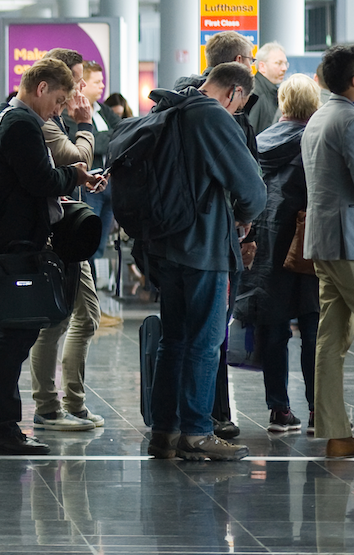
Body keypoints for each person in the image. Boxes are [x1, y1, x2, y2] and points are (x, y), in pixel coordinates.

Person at [0, 59, 103, 455]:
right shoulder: (21, 124)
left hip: (8, 239)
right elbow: (40, 180)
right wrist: (74, 176)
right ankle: (0, 427)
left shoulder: (3, 118)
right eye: (60, 100)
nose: (61, 110)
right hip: (20, 243)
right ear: (42, 87)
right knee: (14, 337)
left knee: (6, 337)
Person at [141, 62, 265, 461]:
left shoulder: (168, 108)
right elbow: (251, 187)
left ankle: (165, 431)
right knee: (206, 341)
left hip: (166, 244)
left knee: (173, 339)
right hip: (206, 246)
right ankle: (196, 432)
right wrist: (245, 217)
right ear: (235, 94)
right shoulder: (213, 115)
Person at [27, 49, 107, 432]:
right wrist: (85, 125)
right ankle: (49, 406)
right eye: (70, 84)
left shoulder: (51, 117)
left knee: (85, 316)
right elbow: (77, 157)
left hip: (69, 226)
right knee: (55, 321)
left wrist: (83, 175)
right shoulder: (44, 121)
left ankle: (71, 402)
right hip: (53, 232)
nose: (77, 91)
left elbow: (77, 169)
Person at [236, 73, 319, 434]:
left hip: (266, 244)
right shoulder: (313, 142)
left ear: (282, 103)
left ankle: (279, 409)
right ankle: (319, 408)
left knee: (274, 327)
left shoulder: (260, 141)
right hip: (306, 246)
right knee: (314, 328)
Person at [300, 46, 354, 459]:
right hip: (350, 241)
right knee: (330, 338)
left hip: (323, 241)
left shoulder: (319, 116)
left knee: (330, 338)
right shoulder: (349, 119)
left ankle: (336, 434)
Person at [80, 61, 121, 283]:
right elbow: (88, 145)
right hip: (88, 188)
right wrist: (107, 139)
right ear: (83, 84)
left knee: (99, 246)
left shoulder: (103, 110)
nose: (102, 86)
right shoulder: (73, 111)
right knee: (87, 246)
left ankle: (93, 302)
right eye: (97, 82)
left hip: (108, 186)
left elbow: (123, 130)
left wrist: (101, 139)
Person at [247, 42, 288, 136]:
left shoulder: (271, 92)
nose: (284, 68)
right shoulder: (255, 93)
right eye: (279, 63)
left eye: (285, 63)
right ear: (262, 66)